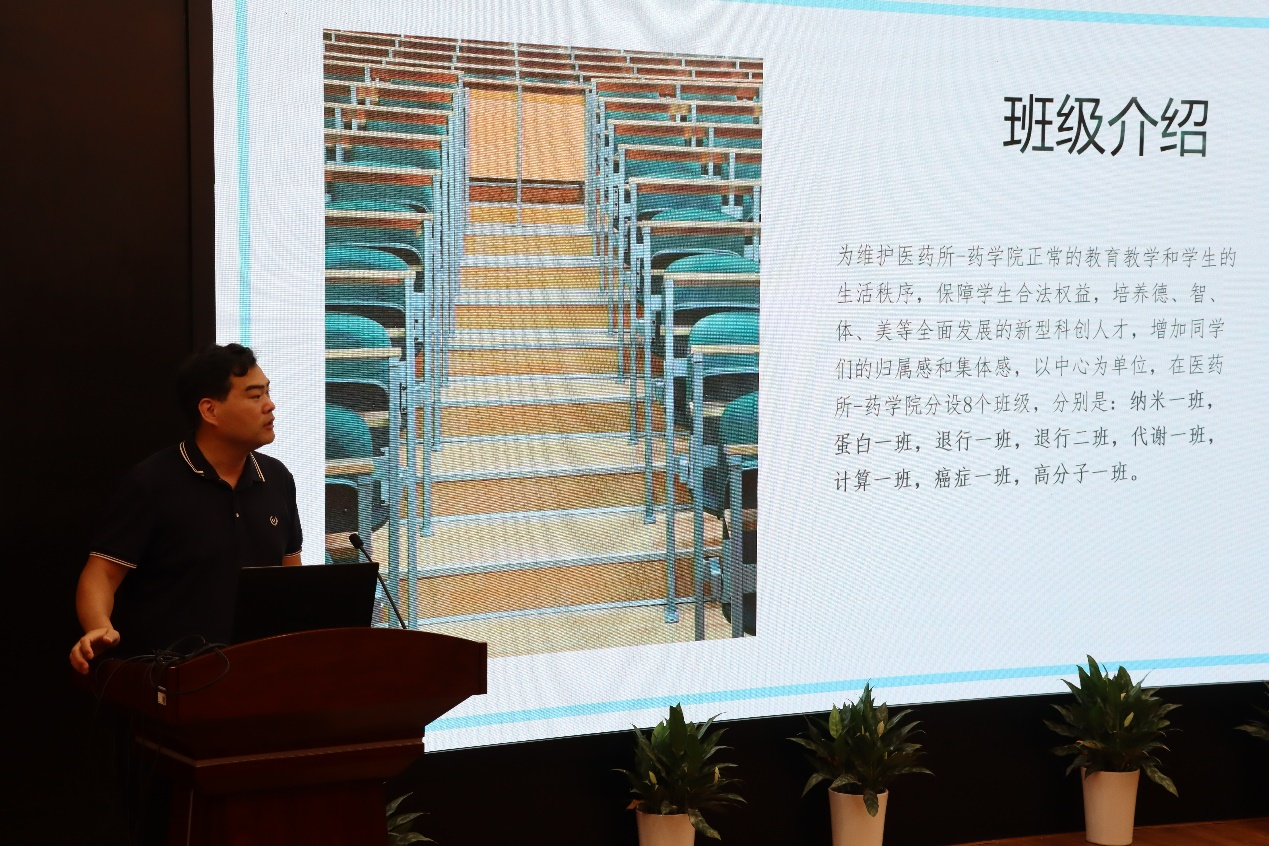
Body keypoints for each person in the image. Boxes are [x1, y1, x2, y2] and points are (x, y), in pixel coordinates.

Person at [69, 343, 302, 673]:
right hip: (173, 674)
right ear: (210, 410)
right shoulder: (153, 482)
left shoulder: (277, 478)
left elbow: (291, 575)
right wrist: (99, 627)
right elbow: (102, 573)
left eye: (267, 392)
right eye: (255, 396)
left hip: (259, 672)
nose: (270, 405)